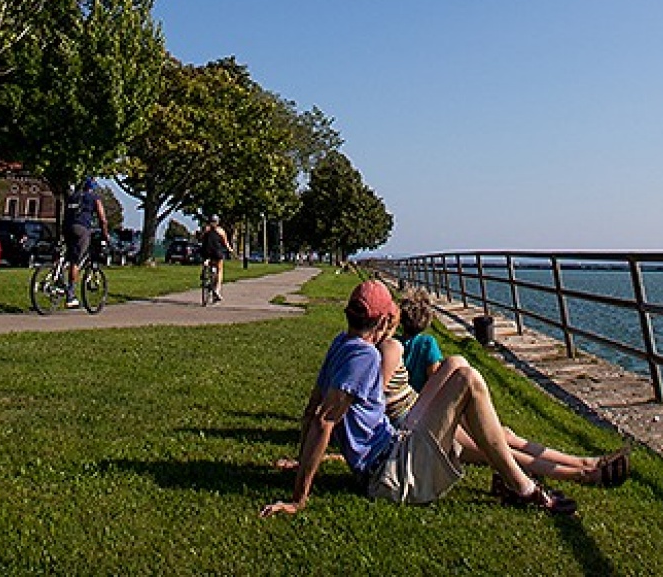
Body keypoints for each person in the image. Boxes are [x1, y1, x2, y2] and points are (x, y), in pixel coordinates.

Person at [260, 280, 583, 518]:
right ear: (386, 319)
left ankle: (511, 476)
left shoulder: (341, 344)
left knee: (457, 364)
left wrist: (300, 462)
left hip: (394, 448)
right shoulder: (365, 357)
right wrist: (298, 499)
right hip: (388, 472)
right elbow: (322, 421)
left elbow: (311, 410)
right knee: (469, 380)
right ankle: (523, 488)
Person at [375, 292, 627, 490]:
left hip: (423, 415)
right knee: (497, 448)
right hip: (425, 424)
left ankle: (584, 463)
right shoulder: (413, 346)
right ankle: (581, 472)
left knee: (503, 435)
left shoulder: (390, 348)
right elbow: (425, 383)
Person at [63, 176, 108, 297]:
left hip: (66, 227)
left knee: (68, 255)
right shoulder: (94, 198)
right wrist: (105, 234)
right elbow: (102, 219)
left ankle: (57, 274)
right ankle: (71, 294)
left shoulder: (73, 196)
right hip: (81, 228)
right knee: (76, 260)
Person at [198, 214, 234, 302]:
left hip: (206, 252)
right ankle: (217, 290)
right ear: (217, 222)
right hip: (217, 252)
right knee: (220, 269)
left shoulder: (206, 229)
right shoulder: (221, 231)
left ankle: (205, 265)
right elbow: (226, 243)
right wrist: (230, 249)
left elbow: (201, 239)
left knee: (206, 259)